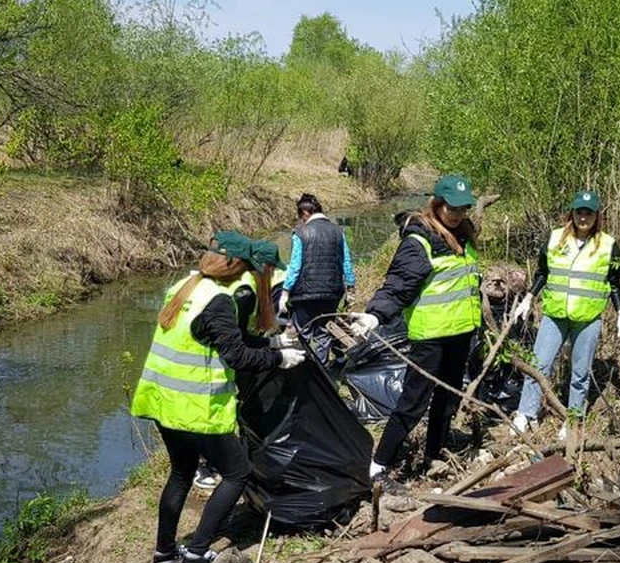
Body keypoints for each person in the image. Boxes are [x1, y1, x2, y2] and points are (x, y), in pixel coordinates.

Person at [129, 231, 306, 563]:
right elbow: (237, 355)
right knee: (237, 474)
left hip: (163, 402)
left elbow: (222, 337)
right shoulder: (220, 301)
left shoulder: (186, 286)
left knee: (180, 475)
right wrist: (280, 359)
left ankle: (164, 553)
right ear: (235, 265)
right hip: (197, 406)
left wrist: (271, 344)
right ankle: (196, 553)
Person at [350, 174, 481, 486]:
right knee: (413, 403)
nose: (458, 214)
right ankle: (379, 465)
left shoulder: (463, 235)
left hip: (460, 333)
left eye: (464, 208)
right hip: (430, 337)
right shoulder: (420, 239)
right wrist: (375, 316)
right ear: (436, 204)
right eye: (452, 208)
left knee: (448, 398)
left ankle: (434, 453)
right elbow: (398, 285)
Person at [510, 190, 620, 435]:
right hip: (555, 314)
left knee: (580, 372)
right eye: (579, 212)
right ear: (572, 213)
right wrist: (528, 298)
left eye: (589, 213)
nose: (583, 217)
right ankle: (525, 413)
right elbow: (542, 273)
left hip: (587, 318)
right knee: (539, 364)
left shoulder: (609, 245)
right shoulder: (555, 238)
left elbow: (614, 282)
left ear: (596, 216)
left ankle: (573, 418)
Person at [193, 240, 290, 492]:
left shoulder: (244, 284)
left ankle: (217, 460)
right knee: (211, 417)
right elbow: (236, 340)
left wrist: (271, 342)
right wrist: (276, 354)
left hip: (222, 360)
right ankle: (206, 467)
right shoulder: (243, 289)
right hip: (212, 366)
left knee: (222, 415)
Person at [279, 193, 356, 364]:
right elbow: (347, 262)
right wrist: (351, 288)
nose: (301, 221)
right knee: (324, 334)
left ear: (305, 213)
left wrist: (285, 292)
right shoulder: (338, 231)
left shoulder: (300, 232)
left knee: (303, 333)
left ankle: (306, 372)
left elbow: (295, 266)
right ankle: (323, 371)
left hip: (304, 294)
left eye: (300, 217)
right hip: (332, 293)